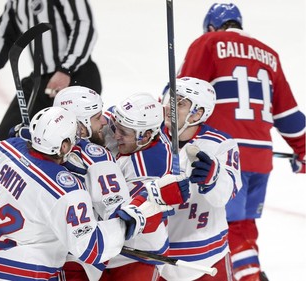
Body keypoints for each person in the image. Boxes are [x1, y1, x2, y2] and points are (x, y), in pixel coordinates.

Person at [0, 106, 173, 281]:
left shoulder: (7, 149)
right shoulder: (67, 190)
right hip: (27, 274)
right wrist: (128, 222)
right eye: (73, 137)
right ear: (64, 145)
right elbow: (91, 248)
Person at [176, 3, 306, 280]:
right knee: (244, 226)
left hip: (224, 155)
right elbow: (288, 113)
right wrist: (304, 151)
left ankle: (246, 276)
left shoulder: (208, 42)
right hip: (261, 158)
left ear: (211, 27)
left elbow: (184, 93)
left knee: (225, 226)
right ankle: (252, 272)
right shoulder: (268, 54)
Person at [0, 0, 102, 141]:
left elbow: (84, 26)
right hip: (40, 80)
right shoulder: (16, 2)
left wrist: (66, 69)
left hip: (77, 77)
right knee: (3, 139)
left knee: (78, 140)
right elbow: (4, 34)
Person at [158, 77, 242, 281]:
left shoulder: (222, 144)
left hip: (208, 259)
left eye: (180, 103)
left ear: (199, 113)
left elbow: (227, 192)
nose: (170, 106)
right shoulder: (149, 137)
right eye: (171, 99)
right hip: (157, 257)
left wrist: (214, 177)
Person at [100, 93, 190, 281]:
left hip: (138, 254)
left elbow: (117, 211)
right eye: (117, 128)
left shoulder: (150, 166)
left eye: (123, 133)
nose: (115, 135)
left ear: (145, 136)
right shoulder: (130, 127)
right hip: (107, 248)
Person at [53, 86, 131, 280]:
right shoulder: (96, 159)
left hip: (34, 261)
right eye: (97, 117)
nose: (104, 121)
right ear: (80, 126)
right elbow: (119, 214)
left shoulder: (26, 149)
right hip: (76, 263)